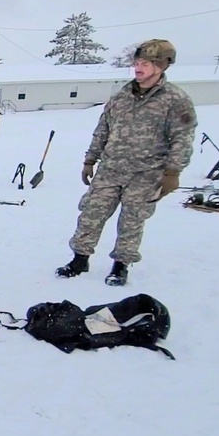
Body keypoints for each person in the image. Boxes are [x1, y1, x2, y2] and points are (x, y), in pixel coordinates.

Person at [55, 39, 196, 286]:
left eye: (145, 64)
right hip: (111, 169)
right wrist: (90, 160)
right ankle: (80, 258)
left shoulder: (175, 100)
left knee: (131, 220)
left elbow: (183, 137)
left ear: (161, 66)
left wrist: (173, 172)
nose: (138, 68)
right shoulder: (121, 96)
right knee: (91, 213)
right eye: (137, 63)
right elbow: (103, 129)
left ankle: (121, 265)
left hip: (146, 173)